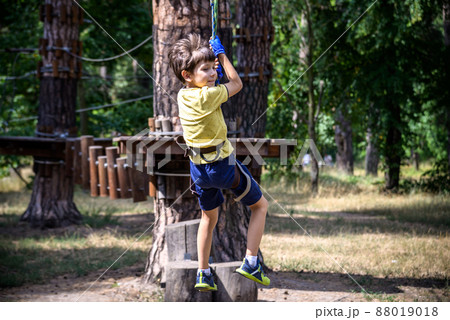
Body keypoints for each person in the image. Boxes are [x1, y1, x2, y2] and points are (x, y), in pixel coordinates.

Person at [168, 34, 270, 291]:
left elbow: (213, 82)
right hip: (222, 167)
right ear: (187, 75)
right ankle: (250, 261)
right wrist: (222, 56)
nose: (213, 73)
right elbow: (236, 83)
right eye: (206, 69)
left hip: (198, 171)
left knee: (208, 218)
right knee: (260, 206)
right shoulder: (209, 96)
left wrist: (211, 63)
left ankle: (203, 273)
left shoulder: (183, 96)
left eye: (213, 67)